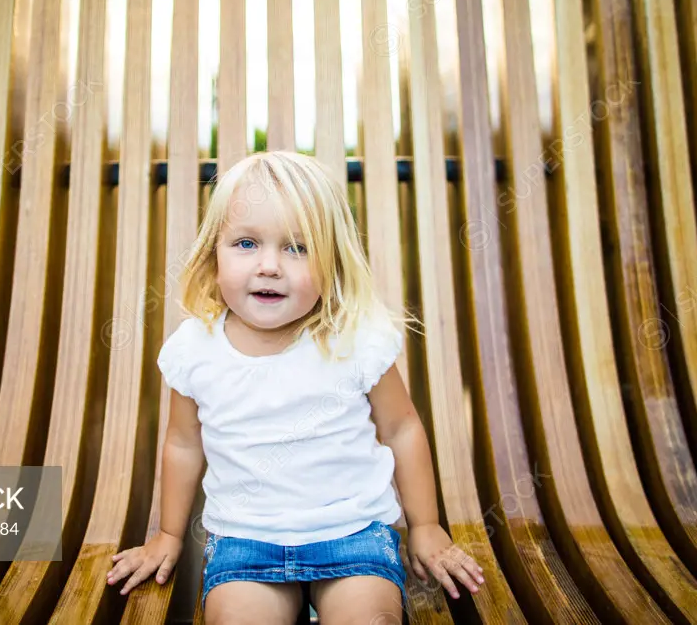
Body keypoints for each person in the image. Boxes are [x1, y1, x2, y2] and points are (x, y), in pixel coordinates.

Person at [105, 151, 484, 623]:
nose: (269, 266)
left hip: (352, 533)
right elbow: (183, 443)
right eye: (246, 243)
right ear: (213, 255)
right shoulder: (196, 348)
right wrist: (169, 535)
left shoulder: (353, 337)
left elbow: (401, 428)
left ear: (332, 262)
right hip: (246, 542)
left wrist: (425, 526)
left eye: (298, 248)